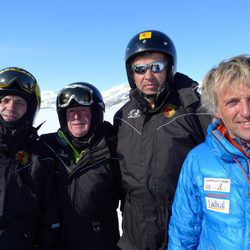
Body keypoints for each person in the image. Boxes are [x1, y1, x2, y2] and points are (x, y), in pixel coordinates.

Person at [113, 30, 211, 250]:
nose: (148, 75)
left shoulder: (194, 108)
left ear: (169, 68)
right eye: (140, 69)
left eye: (156, 67)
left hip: (182, 231)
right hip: (134, 234)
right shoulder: (123, 117)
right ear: (131, 73)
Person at [168, 54, 250, 249]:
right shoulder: (198, 161)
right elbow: (184, 231)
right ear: (217, 111)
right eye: (232, 102)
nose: (246, 111)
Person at [40, 82, 121, 250]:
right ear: (64, 117)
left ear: (95, 114)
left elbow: (133, 198)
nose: (76, 117)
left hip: (101, 242)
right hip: (58, 241)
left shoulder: (112, 148)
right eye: (71, 111)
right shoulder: (47, 148)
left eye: (83, 110)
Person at [0, 67, 59, 249]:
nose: (11, 107)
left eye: (19, 102)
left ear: (30, 109)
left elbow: (50, 216)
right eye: (5, 100)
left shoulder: (40, 155)